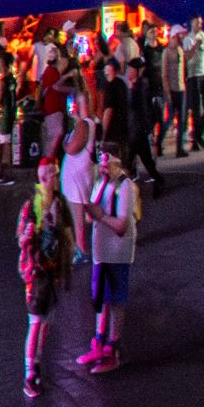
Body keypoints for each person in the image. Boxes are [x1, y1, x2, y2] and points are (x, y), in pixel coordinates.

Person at [78, 144, 140, 373]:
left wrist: (100, 215)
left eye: (107, 163)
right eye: (101, 163)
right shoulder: (101, 181)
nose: (103, 167)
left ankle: (112, 348)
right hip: (101, 251)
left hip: (117, 252)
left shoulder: (125, 186)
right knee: (101, 298)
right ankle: (99, 343)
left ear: (116, 162)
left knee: (115, 299)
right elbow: (91, 215)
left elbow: (122, 225)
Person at [18, 171, 73, 394]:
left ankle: (36, 363)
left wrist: (66, 265)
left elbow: (67, 236)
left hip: (53, 273)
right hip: (38, 275)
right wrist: (29, 234)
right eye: (47, 175)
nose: (53, 178)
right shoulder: (32, 207)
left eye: (54, 174)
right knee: (35, 323)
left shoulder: (59, 204)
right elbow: (22, 239)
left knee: (46, 322)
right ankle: (29, 373)